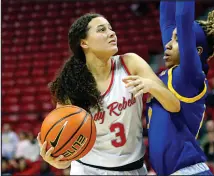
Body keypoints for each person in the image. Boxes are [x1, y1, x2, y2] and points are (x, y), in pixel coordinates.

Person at [37, 13, 180, 175]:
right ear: (84, 43)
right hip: (88, 170)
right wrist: (57, 160)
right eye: (101, 30)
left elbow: (174, 105)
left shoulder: (130, 63)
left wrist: (151, 86)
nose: (112, 33)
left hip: (134, 169)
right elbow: (66, 156)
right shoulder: (71, 86)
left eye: (111, 29)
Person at [146, 1, 214, 175]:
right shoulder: (173, 72)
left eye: (177, 39)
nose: (168, 44)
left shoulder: (190, 76)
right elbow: (167, 19)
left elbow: (183, 19)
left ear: (196, 51)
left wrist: (183, 29)